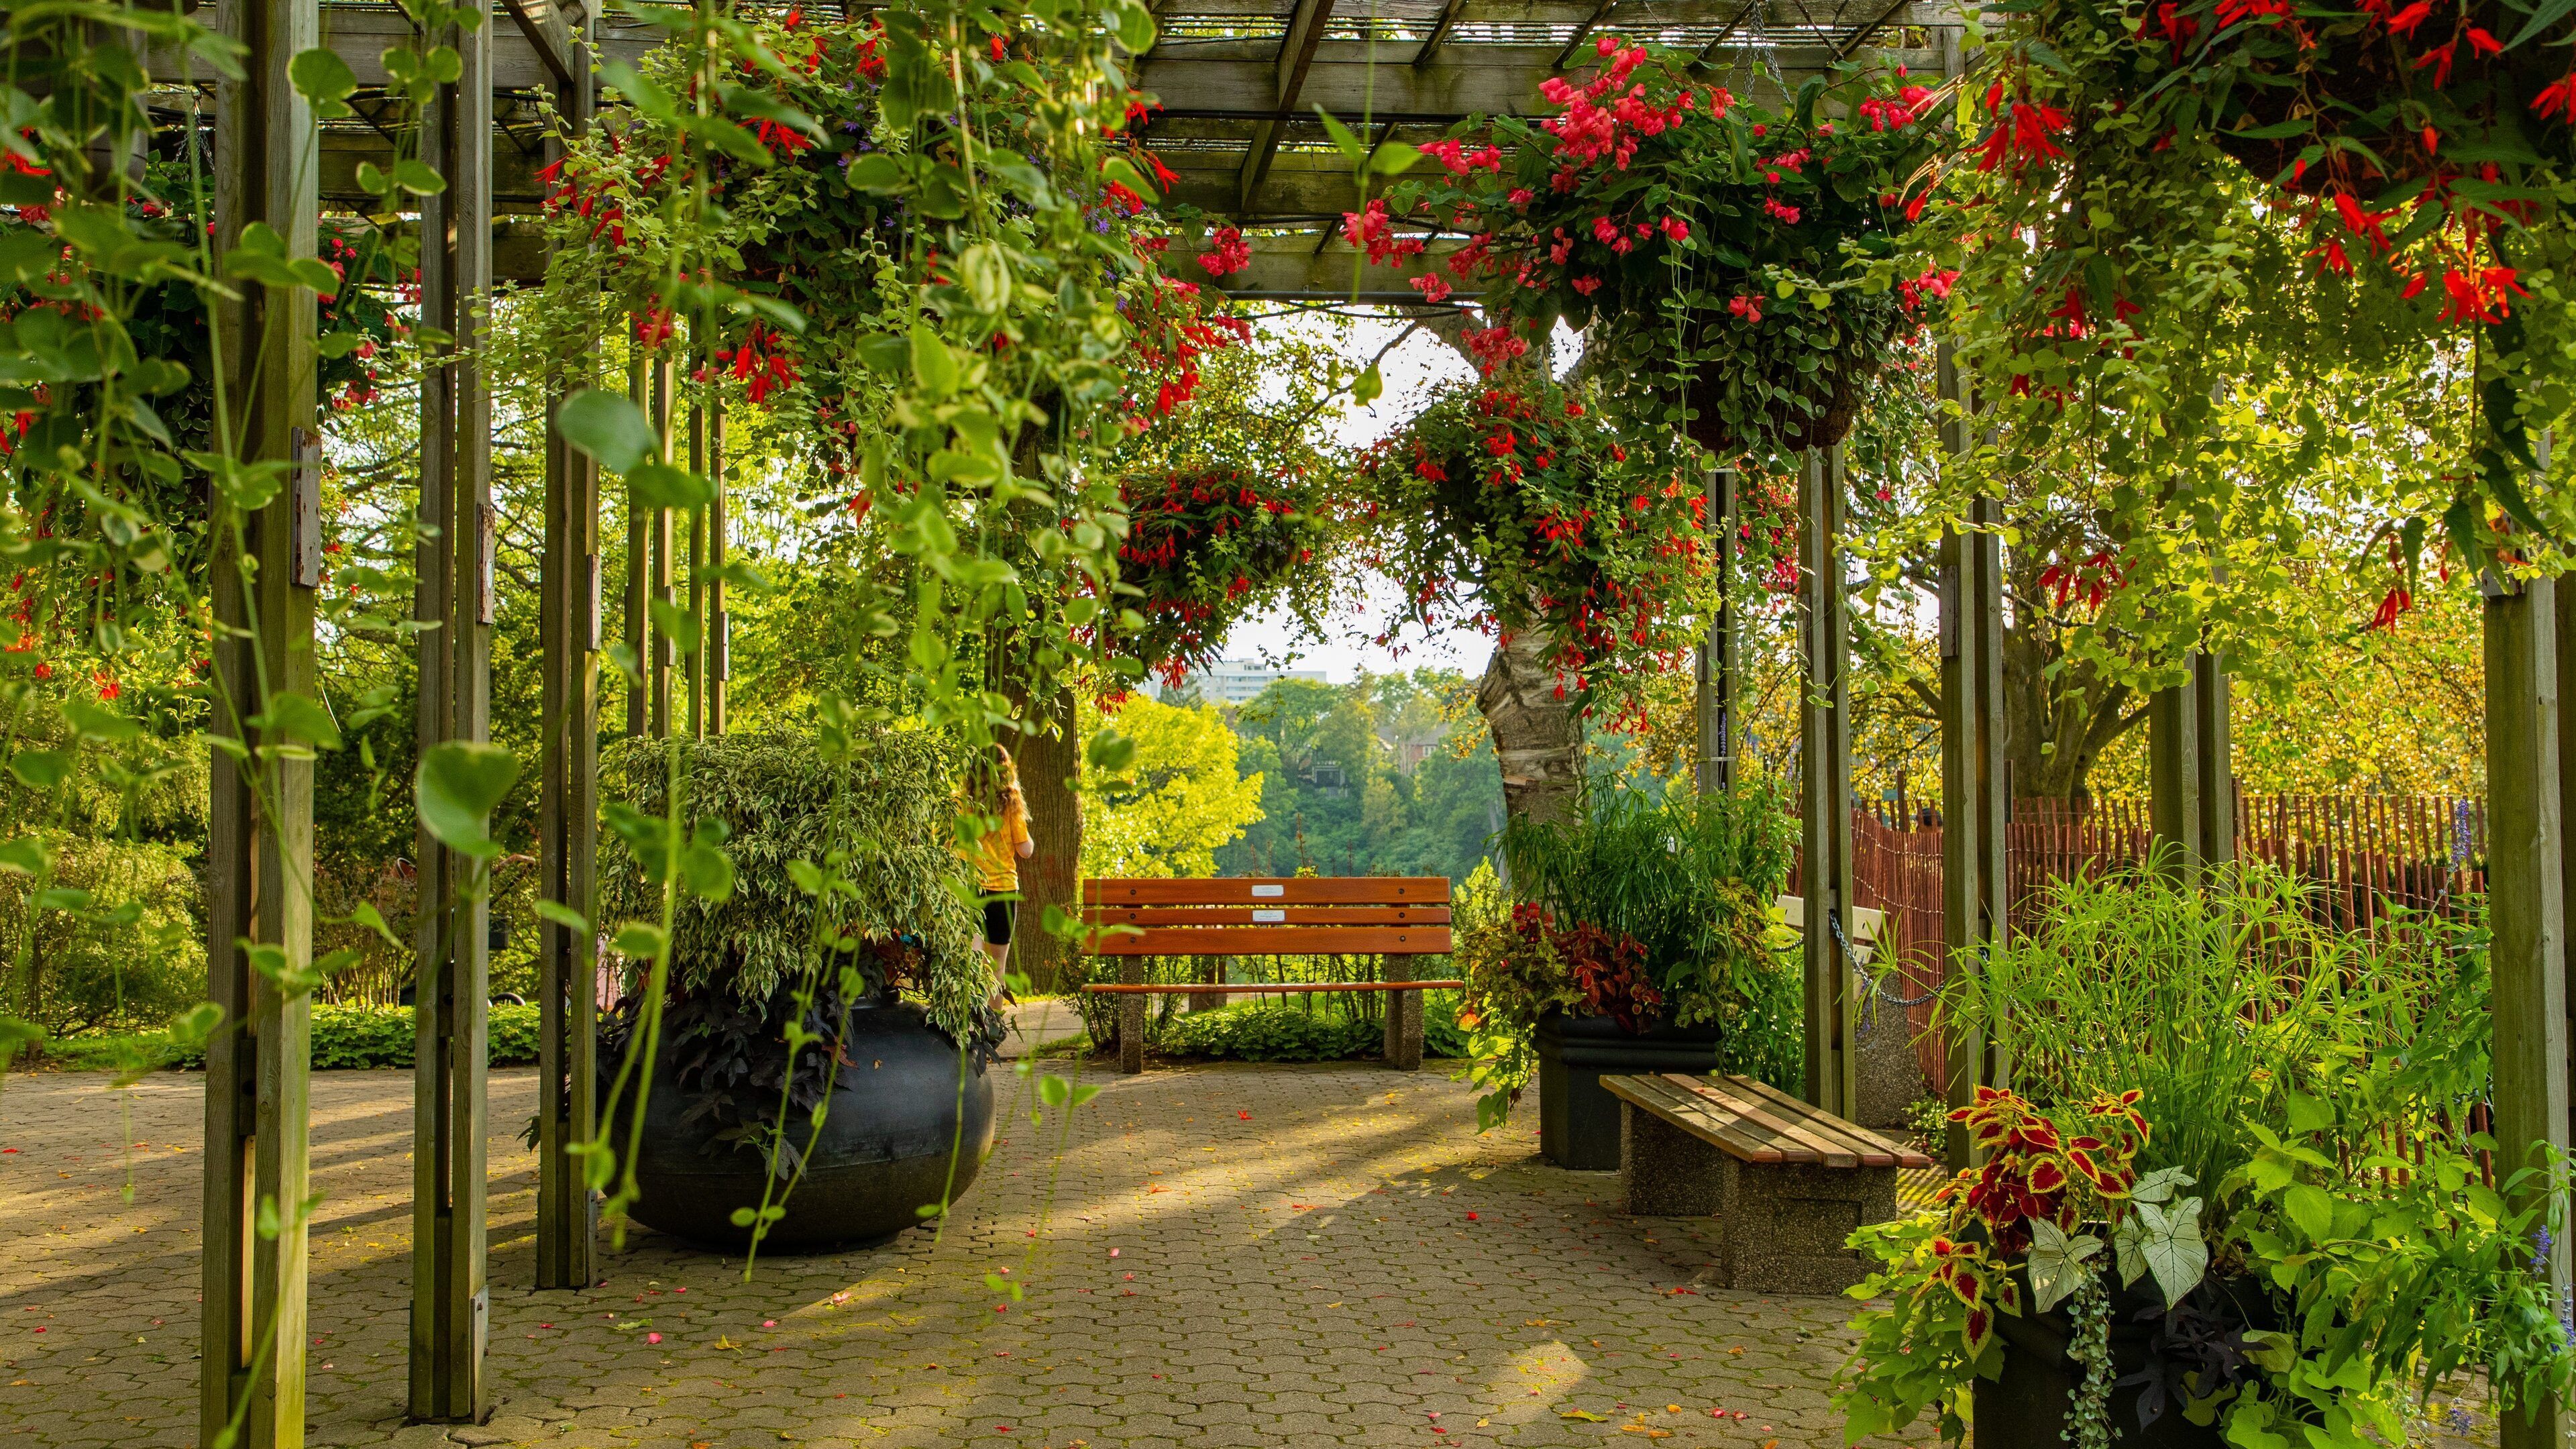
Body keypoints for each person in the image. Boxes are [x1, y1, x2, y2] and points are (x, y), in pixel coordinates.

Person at [964, 744, 1034, 1010]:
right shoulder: (1011, 805)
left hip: (968, 889)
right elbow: (1026, 851)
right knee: (997, 967)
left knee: (972, 962)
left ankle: (970, 1021)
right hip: (1003, 890)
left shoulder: (959, 803)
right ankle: (993, 1025)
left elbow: (946, 844)